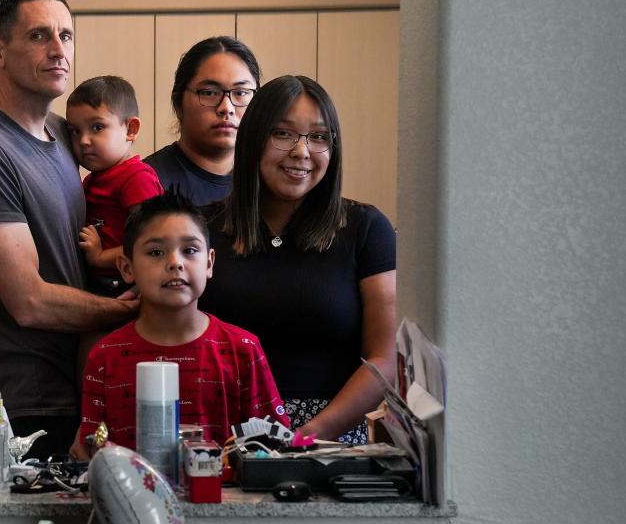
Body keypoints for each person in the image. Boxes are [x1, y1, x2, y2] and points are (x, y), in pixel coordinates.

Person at [0, 0, 137, 461]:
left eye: (66, 35)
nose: (59, 50)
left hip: (80, 386)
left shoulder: (67, 135)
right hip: (24, 402)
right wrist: (133, 310)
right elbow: (29, 303)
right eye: (40, 36)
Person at [198, 75, 397, 444]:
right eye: (283, 134)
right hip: (216, 434)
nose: (302, 151)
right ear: (254, 138)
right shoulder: (200, 228)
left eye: (319, 137)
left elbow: (384, 358)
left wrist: (305, 437)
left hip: (328, 439)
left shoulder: (366, 228)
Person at [71, 189, 288, 460]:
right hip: (131, 499)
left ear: (209, 263)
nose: (175, 263)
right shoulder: (105, 356)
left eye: (189, 250)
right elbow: (90, 448)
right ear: (127, 268)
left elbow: (274, 443)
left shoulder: (242, 349)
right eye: (156, 252)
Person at [66, 75, 164, 294]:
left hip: (124, 285)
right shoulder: (93, 179)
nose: (83, 140)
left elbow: (156, 242)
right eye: (75, 131)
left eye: (97, 127)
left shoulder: (136, 178)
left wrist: (101, 257)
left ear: (130, 129)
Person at [144, 36, 261, 206]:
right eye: (209, 92)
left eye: (241, 92)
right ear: (178, 103)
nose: (226, 108)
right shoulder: (147, 182)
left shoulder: (267, 179)